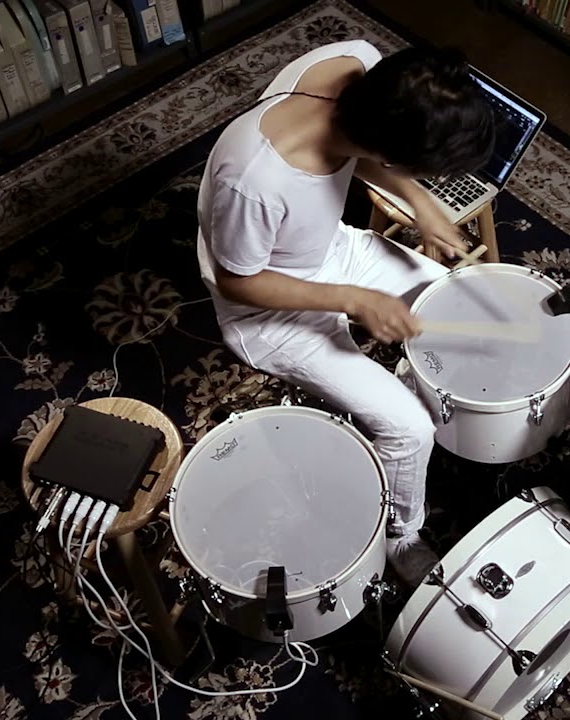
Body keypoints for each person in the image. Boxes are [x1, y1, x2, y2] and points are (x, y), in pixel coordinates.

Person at [194, 39, 495, 586]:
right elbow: (238, 280)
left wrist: (423, 205)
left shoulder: (354, 63)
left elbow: (360, 152)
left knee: (448, 297)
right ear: (389, 154)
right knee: (410, 430)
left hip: (326, 248)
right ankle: (402, 534)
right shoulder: (255, 182)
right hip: (270, 316)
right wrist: (353, 300)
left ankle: (410, 376)